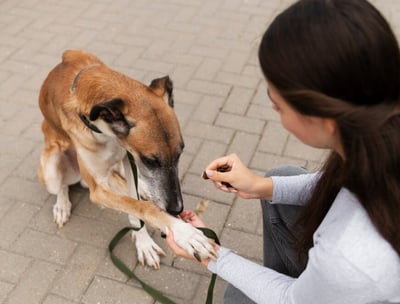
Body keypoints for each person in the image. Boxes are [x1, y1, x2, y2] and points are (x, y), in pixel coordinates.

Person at [166, 0, 400, 303]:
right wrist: (261, 187)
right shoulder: (379, 127)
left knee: (239, 296)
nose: (273, 109)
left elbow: (289, 300)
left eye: (276, 104)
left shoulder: (351, 255)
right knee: (282, 178)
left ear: (324, 119)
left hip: (337, 283)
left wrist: (209, 253)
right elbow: (342, 187)